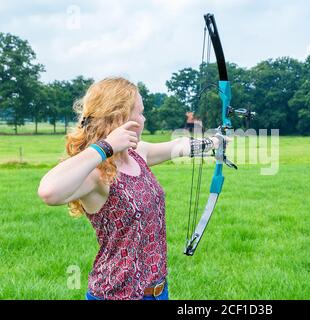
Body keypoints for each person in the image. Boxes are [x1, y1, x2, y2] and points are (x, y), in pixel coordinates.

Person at [38, 77, 220, 300]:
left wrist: (214, 142)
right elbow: (49, 191)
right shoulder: (97, 173)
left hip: (157, 290)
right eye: (141, 113)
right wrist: (107, 146)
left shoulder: (137, 153)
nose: (144, 119)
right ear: (121, 117)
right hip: (115, 294)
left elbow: (177, 146)